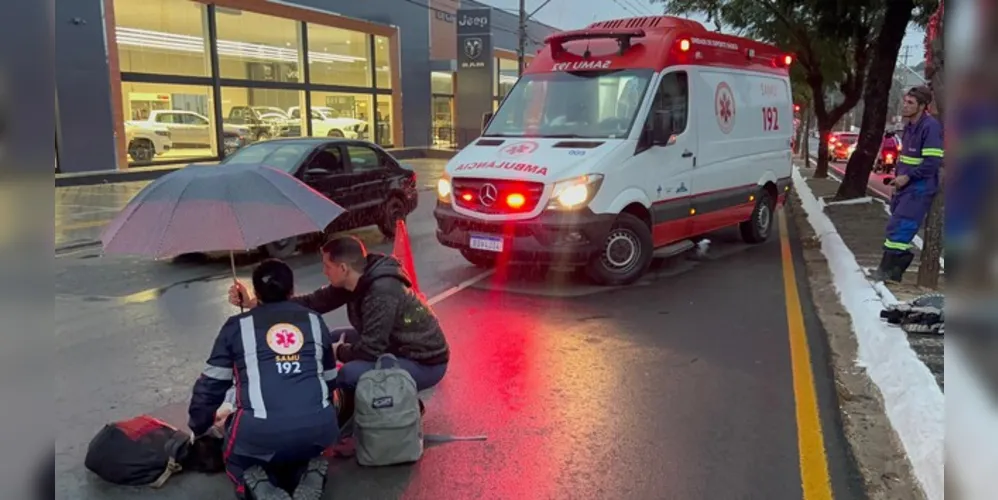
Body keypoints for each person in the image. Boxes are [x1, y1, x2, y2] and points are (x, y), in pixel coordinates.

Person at [229, 236, 449, 423]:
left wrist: (338, 351)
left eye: (327, 266)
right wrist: (255, 304)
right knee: (329, 338)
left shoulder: (381, 291)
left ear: (343, 268)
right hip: (395, 345)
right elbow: (312, 303)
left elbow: (371, 350)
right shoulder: (354, 281)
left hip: (424, 362)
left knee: (349, 372)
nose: (324, 272)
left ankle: (366, 410)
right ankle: (342, 401)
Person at [190, 259, 339, 500]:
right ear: (292, 290)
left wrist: (198, 426)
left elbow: (210, 386)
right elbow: (331, 379)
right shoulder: (314, 320)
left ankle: (254, 485)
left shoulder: (236, 326)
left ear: (256, 293)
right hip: (320, 427)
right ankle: (308, 470)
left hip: (259, 432)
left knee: (235, 455)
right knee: (298, 445)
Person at [871, 86, 944, 283]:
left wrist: (908, 177)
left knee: (901, 226)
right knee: (895, 226)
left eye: (910, 103)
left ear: (922, 106)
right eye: (905, 101)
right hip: (904, 186)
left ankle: (888, 269)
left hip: (919, 188)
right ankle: (893, 270)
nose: (905, 105)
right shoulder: (909, 127)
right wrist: (898, 180)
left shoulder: (930, 127)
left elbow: (932, 162)